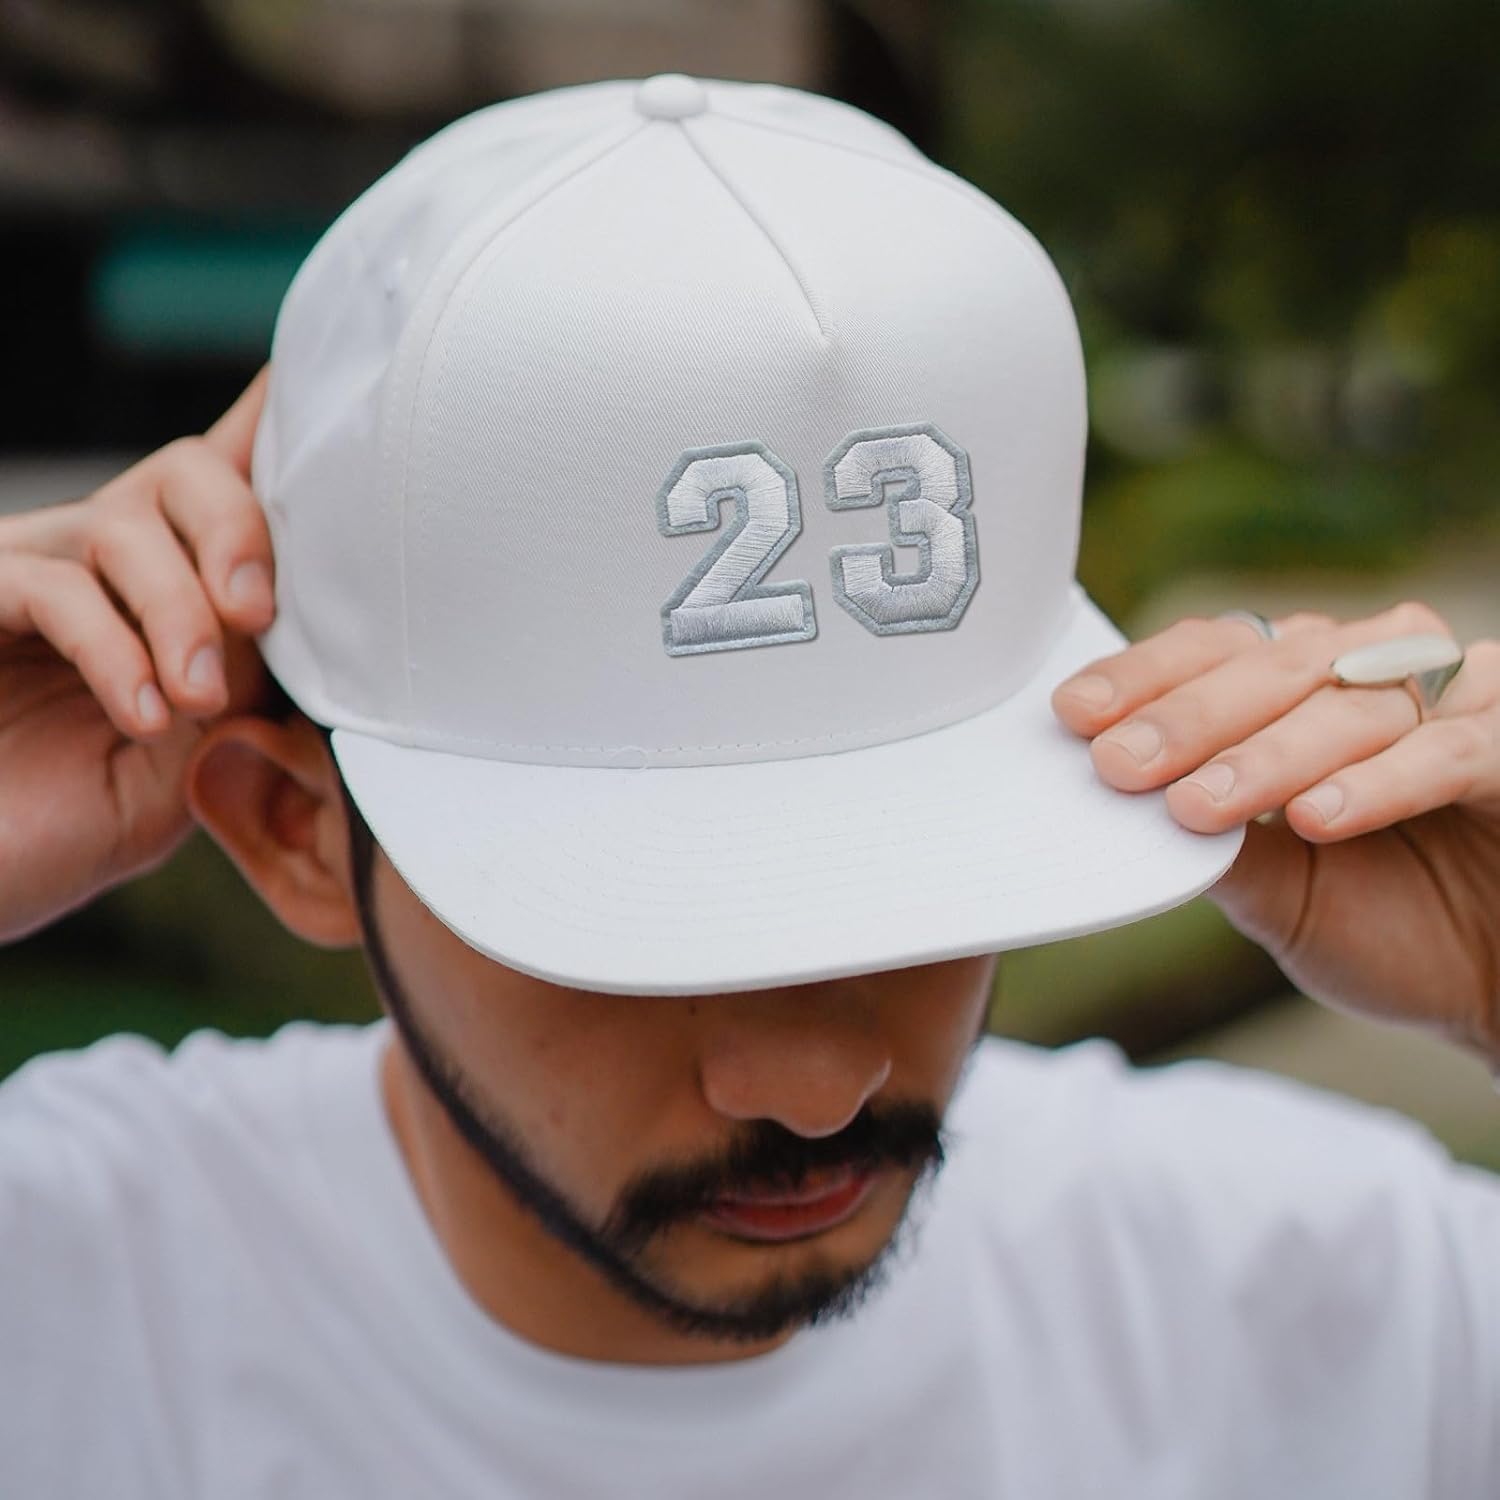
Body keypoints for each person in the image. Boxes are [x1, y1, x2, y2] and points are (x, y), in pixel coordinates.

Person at [1, 75, 1497, 1499]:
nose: (815, 1084)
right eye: (643, 929)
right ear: (297, 833)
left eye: (922, 877)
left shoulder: (1310, 1288)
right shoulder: (74, 1287)